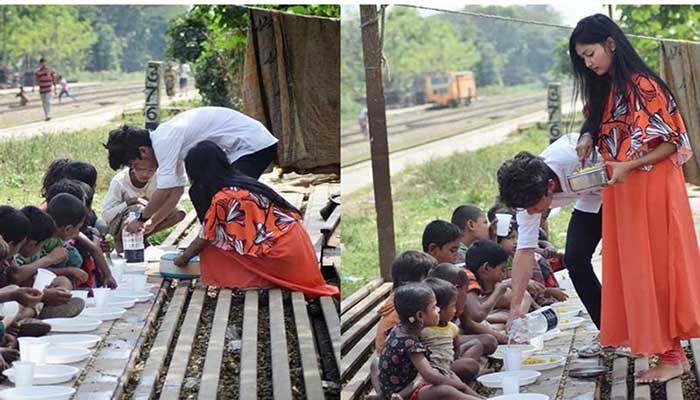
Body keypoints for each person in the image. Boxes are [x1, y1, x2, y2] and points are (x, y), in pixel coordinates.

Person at [569, 14, 700, 383]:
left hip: (652, 186)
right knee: (635, 271)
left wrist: (631, 165)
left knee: (659, 266)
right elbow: (599, 122)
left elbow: (674, 142)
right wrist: (587, 137)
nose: (588, 62)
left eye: (590, 53)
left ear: (611, 43)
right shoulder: (606, 88)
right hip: (623, 191)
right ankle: (663, 350)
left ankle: (674, 356)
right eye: (582, 58)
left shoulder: (643, 85)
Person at [172, 141, 338, 299]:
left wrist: (182, 259)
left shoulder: (225, 197)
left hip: (284, 257)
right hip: (295, 250)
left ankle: (251, 281)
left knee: (214, 246)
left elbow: (205, 238)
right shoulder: (240, 183)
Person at [497, 132, 603, 355]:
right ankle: (608, 331)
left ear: (551, 185)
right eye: (526, 209)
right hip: (590, 197)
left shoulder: (574, 158)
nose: (531, 213)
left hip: (618, 187)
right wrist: (516, 307)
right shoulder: (527, 198)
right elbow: (524, 252)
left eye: (535, 207)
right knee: (575, 259)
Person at [104, 107, 279, 236]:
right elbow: (177, 191)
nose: (139, 169)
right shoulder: (166, 142)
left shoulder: (164, 140)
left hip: (253, 145)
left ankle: (233, 240)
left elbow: (164, 191)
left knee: (227, 198)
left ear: (143, 151)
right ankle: (214, 239)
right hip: (241, 149)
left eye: (136, 163)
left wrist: (141, 219)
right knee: (198, 191)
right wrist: (153, 222)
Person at [377, 283, 481, 400]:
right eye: (434, 307)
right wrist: (460, 385)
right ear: (420, 315)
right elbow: (430, 376)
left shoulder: (400, 329)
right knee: (445, 390)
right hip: (402, 393)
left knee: (449, 377)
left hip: (401, 386)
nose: (438, 310)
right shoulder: (409, 343)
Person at [102, 163, 185, 254]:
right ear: (133, 167)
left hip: (146, 218)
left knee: (178, 212)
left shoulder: (157, 178)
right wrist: (131, 201)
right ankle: (124, 242)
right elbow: (106, 215)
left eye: (150, 170)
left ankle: (142, 237)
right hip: (120, 222)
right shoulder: (119, 181)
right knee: (138, 210)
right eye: (141, 169)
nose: (145, 174)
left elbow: (170, 199)